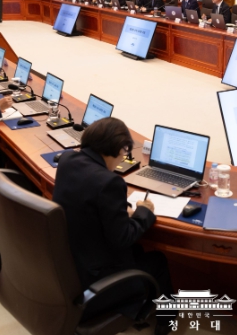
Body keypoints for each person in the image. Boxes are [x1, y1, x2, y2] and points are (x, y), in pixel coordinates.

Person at [52, 117, 174, 335]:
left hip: (69, 264)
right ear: (119, 149)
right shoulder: (109, 182)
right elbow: (123, 238)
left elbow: (87, 201)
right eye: (125, 153)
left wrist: (119, 210)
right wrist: (144, 212)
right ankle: (167, 321)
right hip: (95, 280)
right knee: (157, 260)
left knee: (138, 252)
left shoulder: (68, 160)